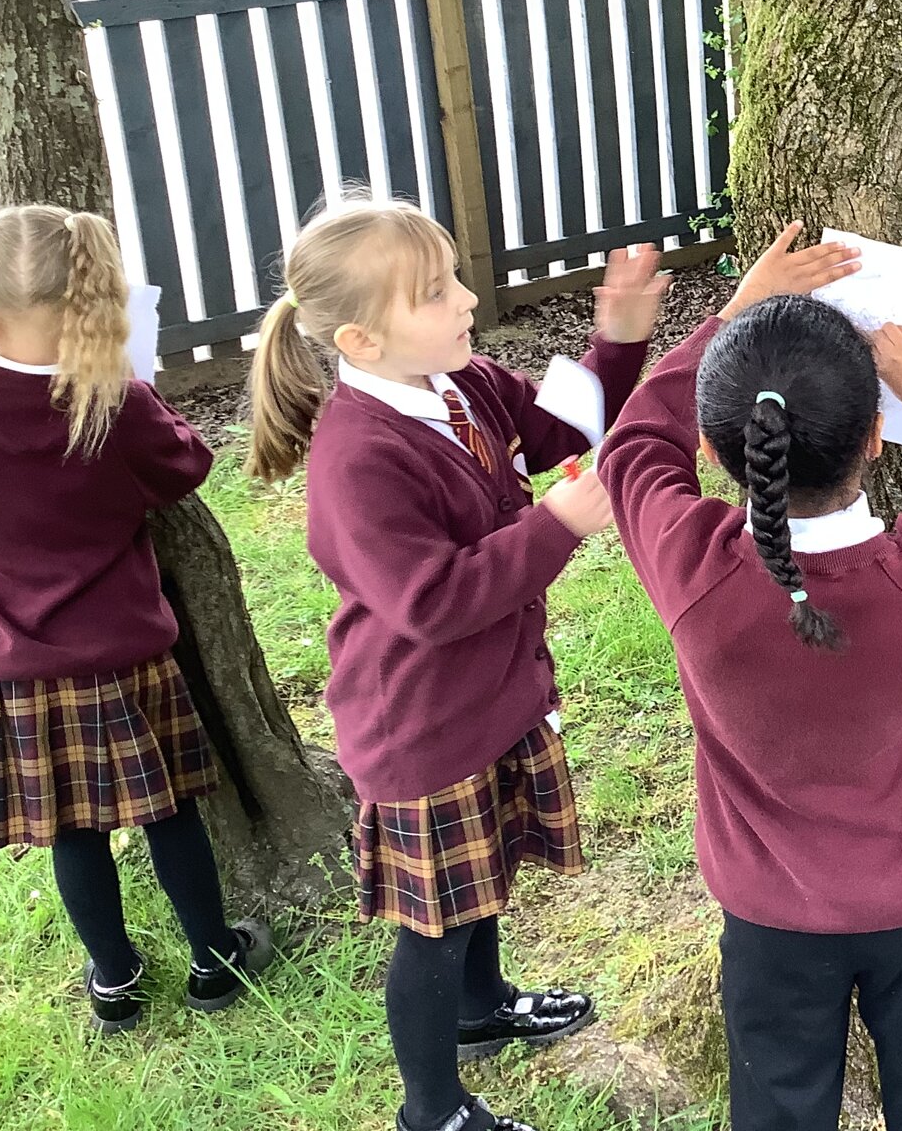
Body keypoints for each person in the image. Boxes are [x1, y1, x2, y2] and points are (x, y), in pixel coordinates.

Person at [598, 223, 902, 1131]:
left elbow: (632, 450)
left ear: (717, 445)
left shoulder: (691, 571)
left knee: (777, 1110)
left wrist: (736, 310)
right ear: (875, 442)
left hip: (769, 918)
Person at [246, 199, 665, 1131]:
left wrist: (618, 338)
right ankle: (431, 1110)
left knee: (482, 881)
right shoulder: (358, 457)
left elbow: (558, 428)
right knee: (432, 927)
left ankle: (484, 1008)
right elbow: (432, 602)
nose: (469, 300)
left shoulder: (461, 381)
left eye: (456, 278)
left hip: (491, 695)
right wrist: (556, 525)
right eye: (437, 292)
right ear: (360, 338)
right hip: (421, 725)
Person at [0, 206, 269, 1035]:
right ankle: (213, 963)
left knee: (68, 832)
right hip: (119, 657)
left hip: (11, 670)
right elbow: (187, 462)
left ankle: (114, 983)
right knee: (168, 811)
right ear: (93, 296)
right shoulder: (112, 404)